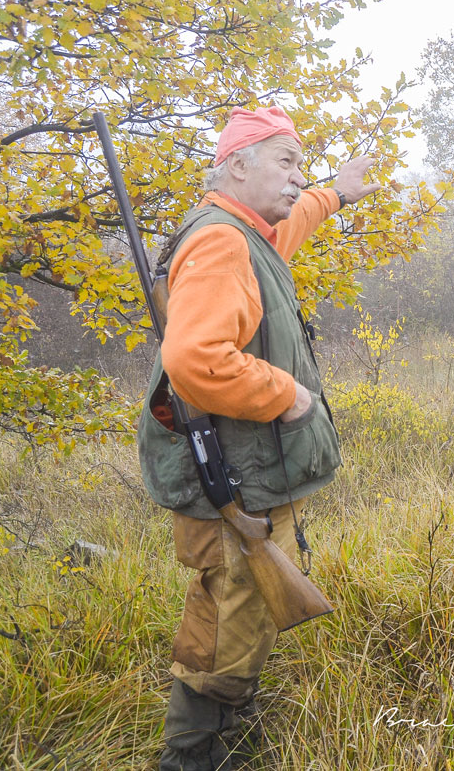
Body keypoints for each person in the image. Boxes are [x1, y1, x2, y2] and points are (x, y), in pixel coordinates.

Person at [136, 106, 381, 770]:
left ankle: (235, 742)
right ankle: (189, 759)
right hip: (238, 481)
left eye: (302, 164)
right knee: (222, 634)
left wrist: (336, 191)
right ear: (237, 165)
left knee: (239, 622)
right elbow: (196, 359)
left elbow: (290, 225)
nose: (298, 177)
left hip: (249, 476)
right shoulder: (222, 242)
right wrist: (291, 394)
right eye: (287, 161)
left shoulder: (249, 232)